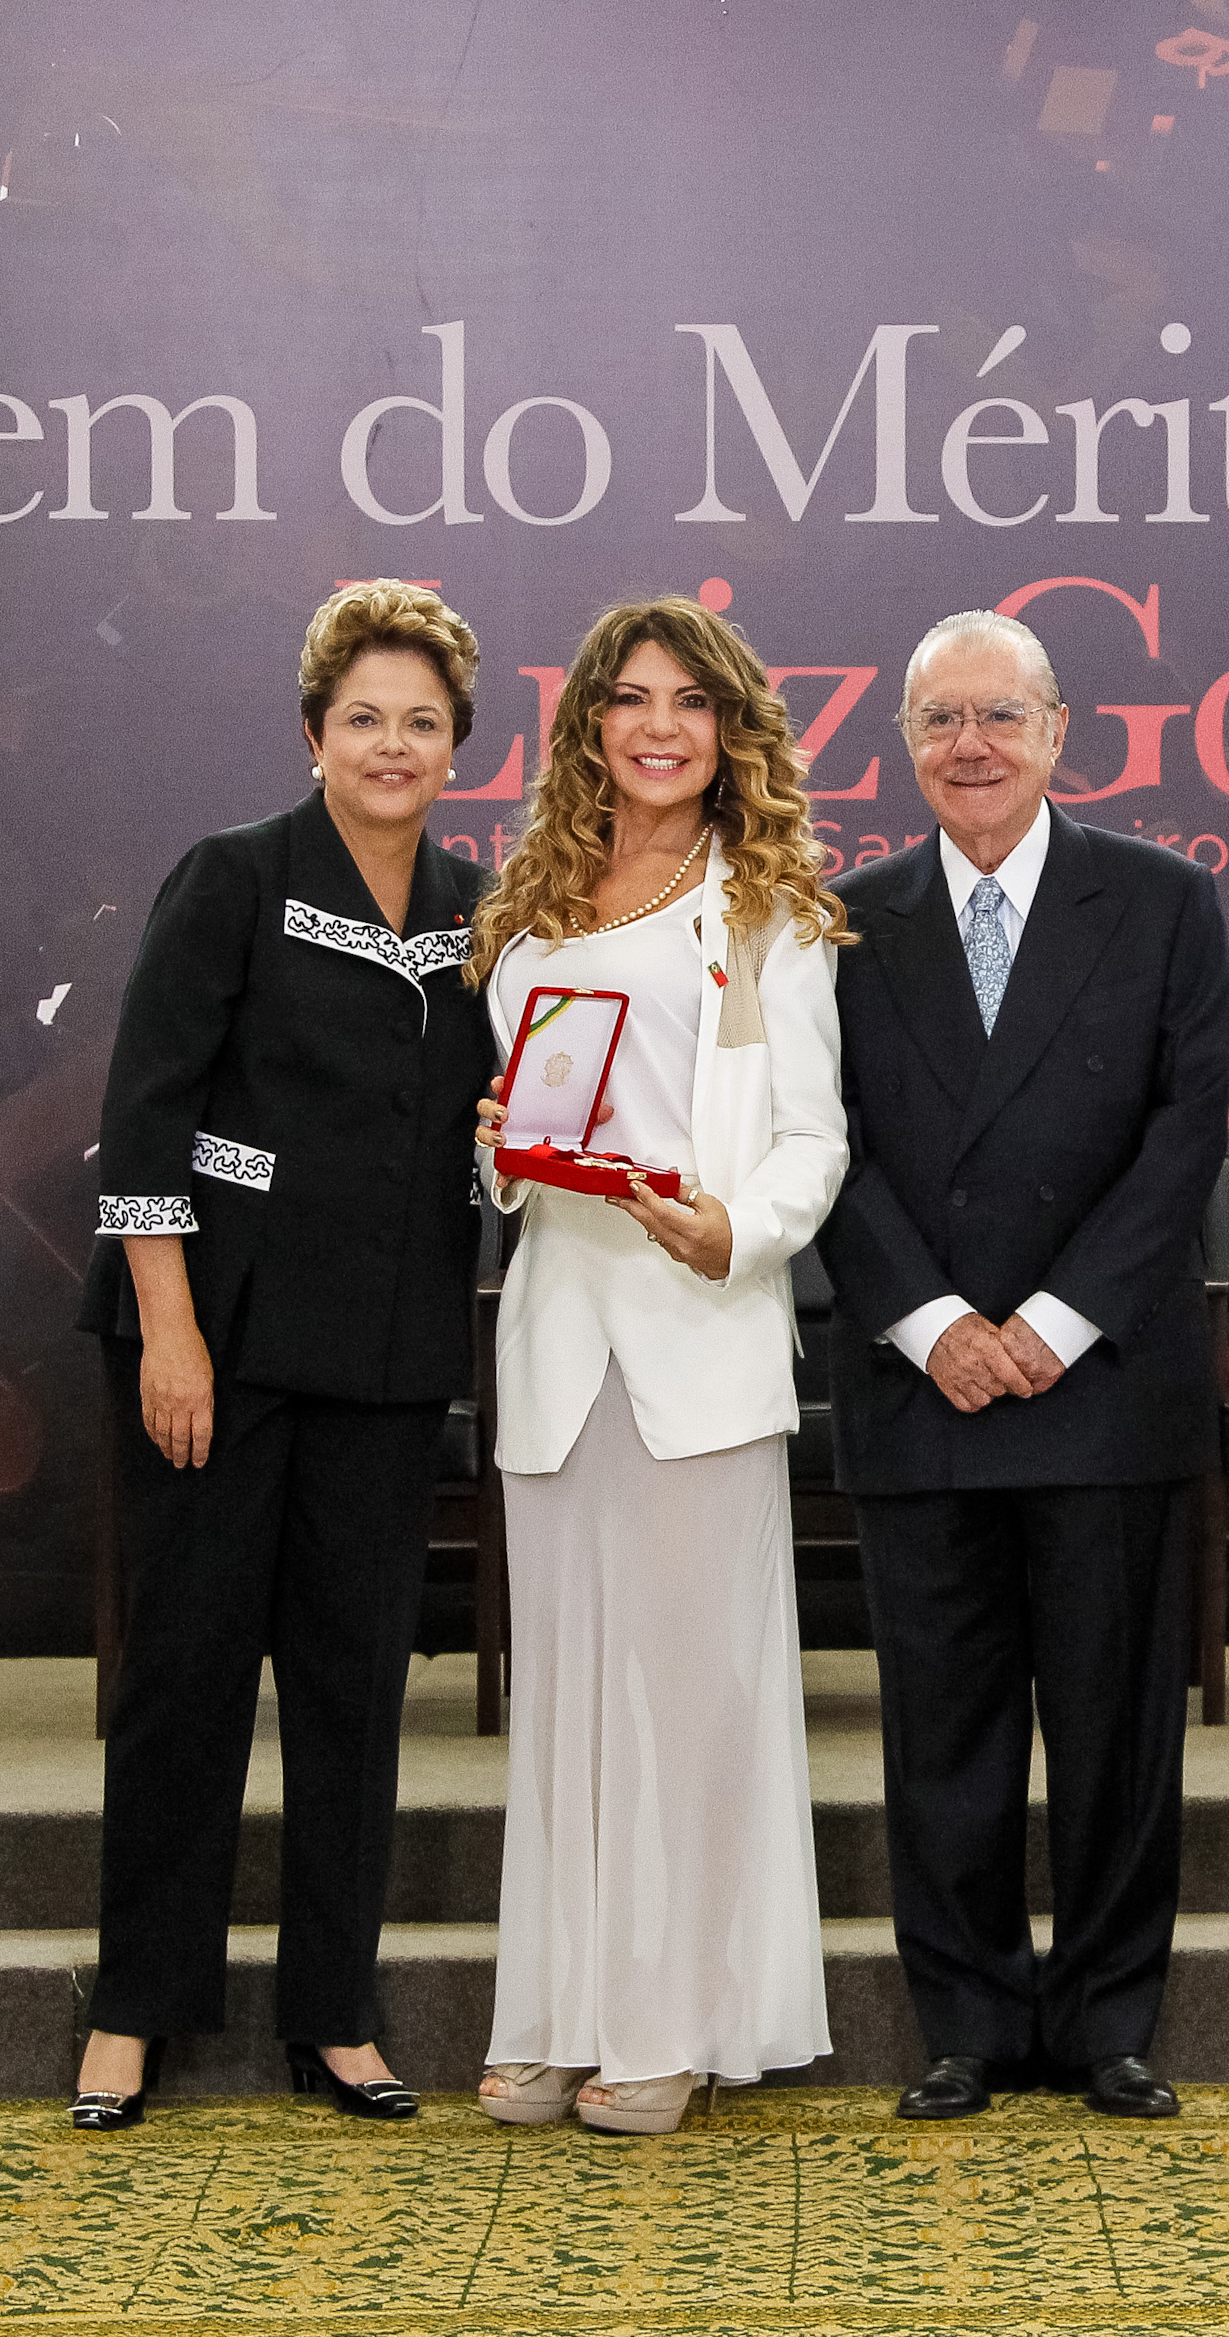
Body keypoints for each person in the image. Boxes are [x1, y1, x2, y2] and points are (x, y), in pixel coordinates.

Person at [67, 581, 494, 2130]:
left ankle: (338, 2011)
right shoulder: (233, 878)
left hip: (384, 1360)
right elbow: (143, 1118)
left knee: (350, 1694)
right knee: (181, 1682)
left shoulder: (481, 916)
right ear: (315, 732)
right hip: (218, 1348)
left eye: (422, 722)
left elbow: (495, 1127)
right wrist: (169, 1331)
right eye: (365, 717)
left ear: (458, 749)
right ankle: (133, 2011)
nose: (393, 744)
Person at [817, 610, 1229, 2122]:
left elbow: (1184, 1136)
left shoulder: (1166, 902)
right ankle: (969, 2022)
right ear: (906, 747)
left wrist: (1051, 1324)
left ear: (1060, 731)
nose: (969, 747)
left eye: (998, 716)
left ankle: (1111, 2017)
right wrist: (937, 1327)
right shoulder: (840, 920)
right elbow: (826, 1151)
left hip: (1102, 1382)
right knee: (944, 1730)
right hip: (919, 1383)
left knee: (1119, 1730)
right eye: (937, 722)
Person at [464, 596, 848, 2138]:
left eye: (690, 700)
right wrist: (496, 1151)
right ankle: (560, 2011)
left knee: (692, 1697)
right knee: (569, 1697)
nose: (659, 726)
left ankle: (675, 2019)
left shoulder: (773, 911)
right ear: (589, 729)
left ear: (733, 726)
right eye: (629, 700)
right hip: (558, 1338)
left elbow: (811, 1140)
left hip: (699, 1332)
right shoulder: (531, 904)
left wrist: (734, 1233)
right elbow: (522, 1123)